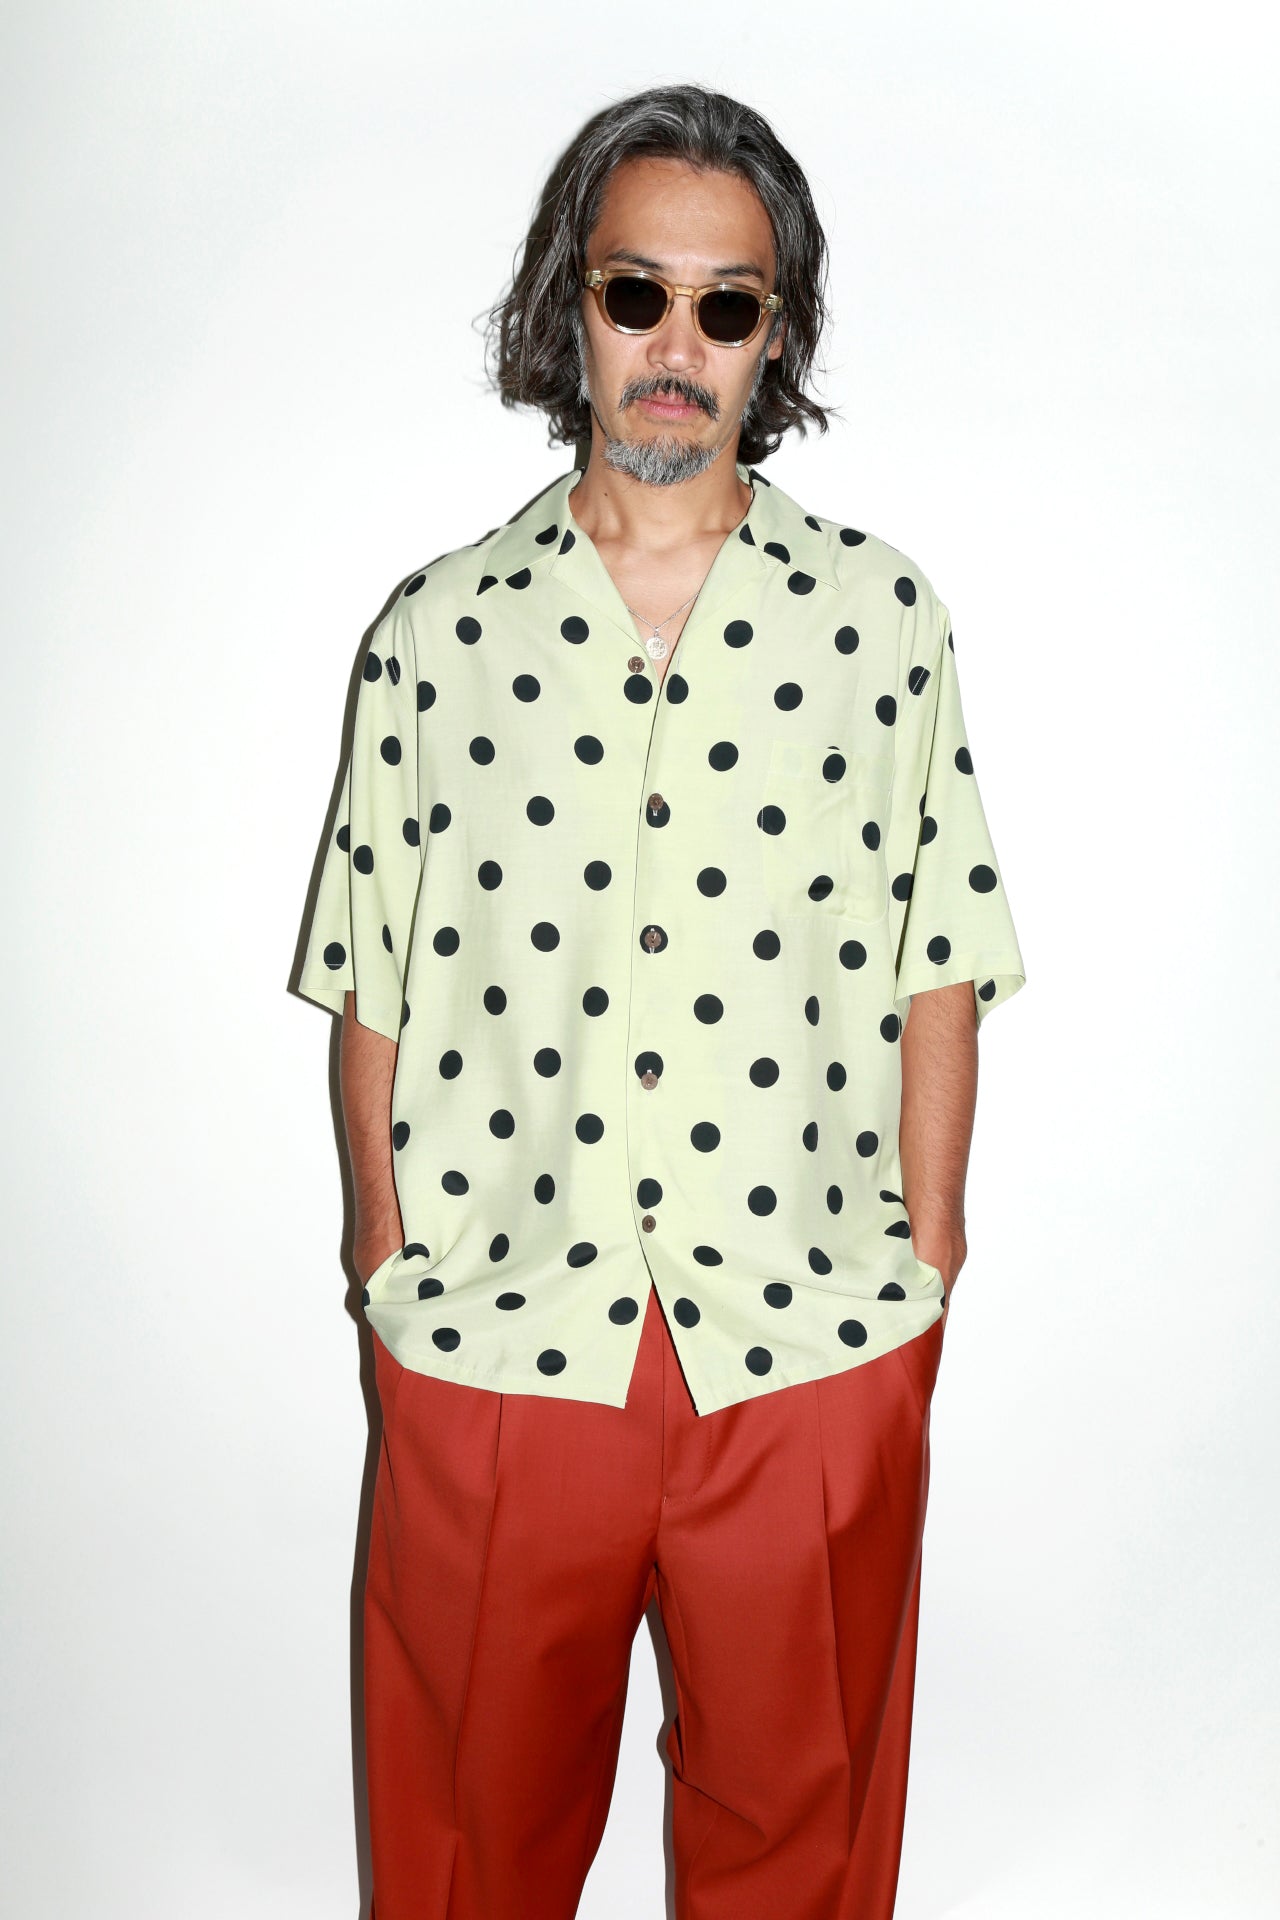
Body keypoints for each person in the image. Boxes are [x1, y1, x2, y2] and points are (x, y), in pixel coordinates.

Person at [293, 81, 1026, 1920]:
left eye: (727, 304)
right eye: (639, 294)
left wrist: (926, 1267)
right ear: (578, 306)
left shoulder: (882, 621)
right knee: (465, 1857)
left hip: (809, 1342)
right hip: (498, 1343)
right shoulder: (436, 634)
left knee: (802, 1855)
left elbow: (943, 951)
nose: (678, 347)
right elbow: (369, 968)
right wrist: (385, 1260)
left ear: (776, 333)